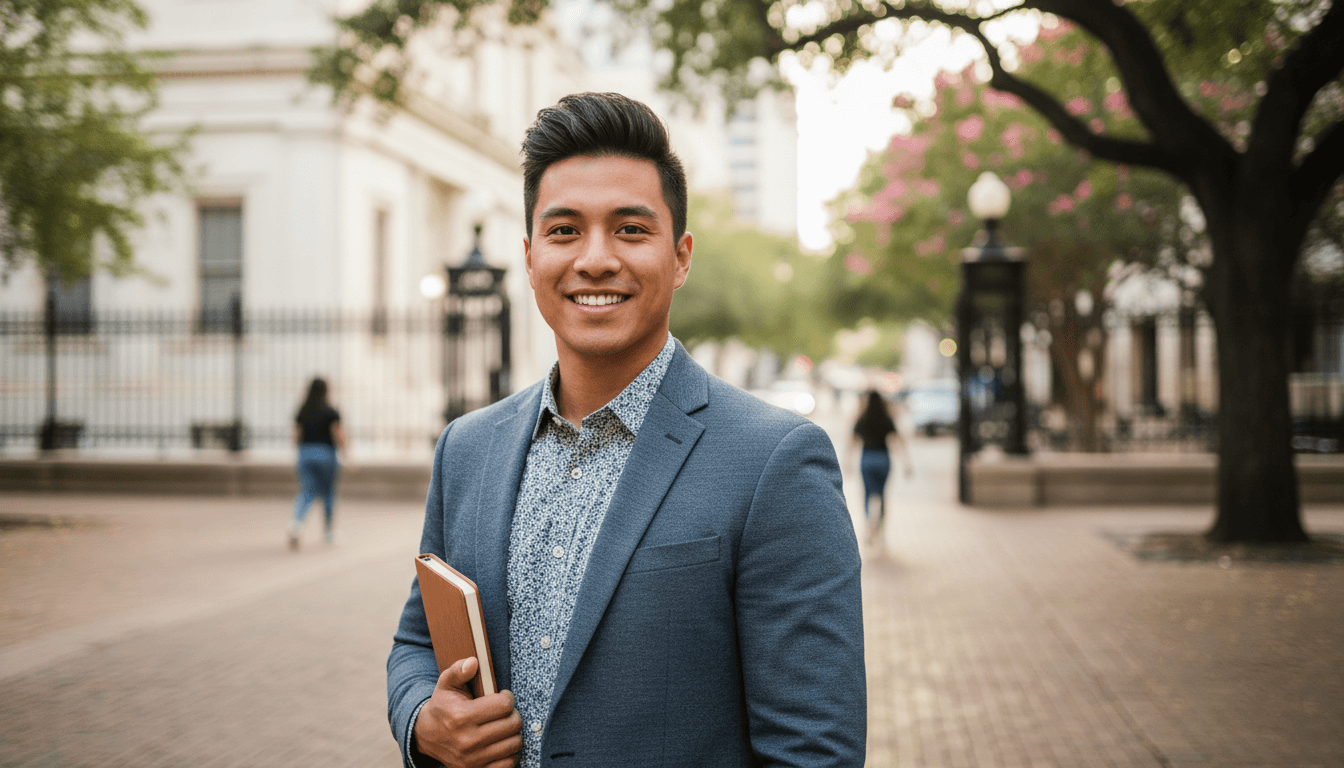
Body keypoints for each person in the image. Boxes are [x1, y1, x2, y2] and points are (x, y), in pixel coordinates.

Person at [387, 92, 865, 768]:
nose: (595, 259)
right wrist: (421, 721)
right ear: (529, 257)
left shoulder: (775, 462)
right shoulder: (467, 447)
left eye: (631, 230)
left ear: (681, 256)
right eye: (564, 231)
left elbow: (813, 750)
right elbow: (416, 643)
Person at [288, 377, 344, 550]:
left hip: (305, 453)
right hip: (326, 454)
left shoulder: (302, 411)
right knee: (328, 494)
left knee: (306, 491)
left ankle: (296, 524)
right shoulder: (331, 412)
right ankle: (329, 532)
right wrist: (346, 453)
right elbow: (338, 435)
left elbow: (295, 437)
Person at [851, 389, 911, 545]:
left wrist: (847, 461)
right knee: (882, 494)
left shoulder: (862, 418)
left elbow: (852, 440)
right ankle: (881, 530)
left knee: (867, 495)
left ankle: (869, 528)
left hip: (867, 459)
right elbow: (899, 440)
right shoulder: (886, 418)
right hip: (883, 459)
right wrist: (906, 462)